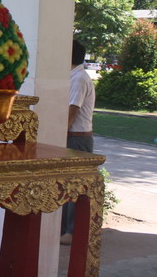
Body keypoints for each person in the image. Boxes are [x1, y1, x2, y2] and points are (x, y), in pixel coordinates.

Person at [60, 39, 96, 245]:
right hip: (73, 137)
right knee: (67, 185)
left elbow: (72, 111)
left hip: (77, 138)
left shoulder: (79, 78)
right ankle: (65, 229)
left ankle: (72, 232)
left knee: (75, 185)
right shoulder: (73, 76)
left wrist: (58, 136)